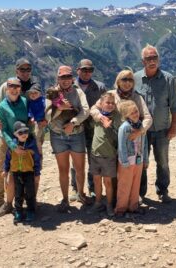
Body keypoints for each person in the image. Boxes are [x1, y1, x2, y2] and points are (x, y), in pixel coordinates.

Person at [90, 69, 152, 203]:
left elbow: (147, 117)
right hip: (112, 139)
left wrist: (140, 130)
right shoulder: (110, 95)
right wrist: (101, 117)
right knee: (116, 169)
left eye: (130, 80)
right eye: (124, 79)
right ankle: (117, 198)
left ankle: (136, 196)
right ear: (118, 81)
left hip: (132, 139)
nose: (127, 83)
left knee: (134, 167)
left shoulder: (137, 97)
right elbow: (94, 109)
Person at [0, 58, 39, 216]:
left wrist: (33, 120)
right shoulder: (5, 87)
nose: (24, 73)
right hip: (8, 136)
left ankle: (27, 199)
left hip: (26, 138)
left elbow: (36, 107)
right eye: (21, 70)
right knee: (3, 167)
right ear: (16, 71)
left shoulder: (33, 87)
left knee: (28, 168)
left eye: (27, 70)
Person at [134, 44, 176, 203]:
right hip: (141, 131)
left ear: (158, 59)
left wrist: (174, 126)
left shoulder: (168, 79)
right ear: (143, 61)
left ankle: (163, 190)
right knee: (142, 163)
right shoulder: (135, 78)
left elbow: (175, 106)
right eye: (148, 58)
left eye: (155, 57)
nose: (152, 61)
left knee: (163, 162)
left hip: (162, 129)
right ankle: (140, 193)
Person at [46, 65, 90, 213]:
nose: (65, 80)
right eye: (62, 77)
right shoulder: (52, 93)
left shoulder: (78, 92)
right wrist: (60, 108)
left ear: (72, 78)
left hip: (76, 133)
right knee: (63, 169)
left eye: (68, 77)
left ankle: (81, 194)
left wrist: (73, 122)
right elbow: (47, 116)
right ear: (58, 78)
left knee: (80, 168)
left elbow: (86, 110)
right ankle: (65, 199)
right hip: (58, 135)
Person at [70, 59, 106, 201]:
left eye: (90, 70)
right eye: (84, 70)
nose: (87, 73)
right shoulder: (70, 86)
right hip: (76, 128)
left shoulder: (100, 87)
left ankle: (92, 188)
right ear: (77, 70)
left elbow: (106, 105)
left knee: (93, 159)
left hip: (94, 129)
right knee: (76, 161)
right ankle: (76, 189)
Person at [115, 100, 148, 217]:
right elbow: (121, 145)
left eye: (136, 111)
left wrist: (146, 159)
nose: (135, 114)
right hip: (127, 162)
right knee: (124, 185)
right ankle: (121, 208)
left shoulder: (141, 126)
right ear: (126, 115)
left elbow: (145, 143)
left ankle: (133, 206)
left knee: (135, 184)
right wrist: (124, 161)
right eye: (132, 112)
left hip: (139, 160)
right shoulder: (124, 128)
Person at [90, 92, 120, 217]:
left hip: (109, 155)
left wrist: (111, 126)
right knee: (96, 180)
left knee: (108, 182)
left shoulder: (116, 118)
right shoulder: (97, 117)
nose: (110, 105)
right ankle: (97, 202)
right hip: (95, 154)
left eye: (112, 103)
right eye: (107, 102)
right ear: (101, 104)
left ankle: (108, 204)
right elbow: (92, 110)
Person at [3, 121, 40, 223]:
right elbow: (7, 159)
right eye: (20, 133)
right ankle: (18, 211)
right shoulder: (12, 147)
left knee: (29, 192)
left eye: (26, 131)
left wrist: (37, 173)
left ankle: (30, 211)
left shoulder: (32, 145)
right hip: (16, 173)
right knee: (18, 193)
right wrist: (5, 170)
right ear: (15, 134)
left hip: (29, 172)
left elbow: (36, 160)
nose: (24, 134)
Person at [27, 83, 47, 157]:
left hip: (40, 122)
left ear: (40, 94)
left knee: (37, 137)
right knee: (36, 137)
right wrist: (30, 116)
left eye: (35, 93)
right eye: (31, 93)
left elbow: (45, 111)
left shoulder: (43, 101)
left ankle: (39, 153)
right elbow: (29, 111)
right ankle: (38, 152)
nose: (33, 94)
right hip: (33, 122)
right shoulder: (30, 102)